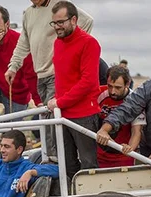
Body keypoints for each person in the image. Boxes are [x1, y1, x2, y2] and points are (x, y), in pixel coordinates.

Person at [5, 0, 94, 160]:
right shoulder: (29, 13)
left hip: (56, 74)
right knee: (48, 121)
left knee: (54, 124)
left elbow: (87, 21)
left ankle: (55, 163)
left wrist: (70, 50)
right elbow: (23, 42)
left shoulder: (58, 5)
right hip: (41, 76)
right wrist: (13, 66)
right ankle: (53, 162)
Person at [47, 1, 102, 176]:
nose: (57, 27)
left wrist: (59, 102)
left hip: (84, 115)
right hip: (62, 114)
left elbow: (87, 82)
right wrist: (58, 104)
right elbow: (62, 79)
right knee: (66, 165)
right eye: (54, 23)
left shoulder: (89, 43)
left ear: (74, 20)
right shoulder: (57, 43)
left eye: (61, 22)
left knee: (89, 165)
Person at [0, 130, 58, 197]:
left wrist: (31, 173)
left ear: (19, 150)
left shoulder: (27, 167)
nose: (2, 150)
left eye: (6, 147)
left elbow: (58, 170)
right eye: (1, 146)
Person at [96, 65, 145, 168]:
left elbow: (137, 131)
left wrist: (130, 148)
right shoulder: (100, 94)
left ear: (127, 84)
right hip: (100, 155)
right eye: (110, 86)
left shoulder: (136, 101)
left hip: (123, 155)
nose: (113, 91)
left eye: (118, 87)